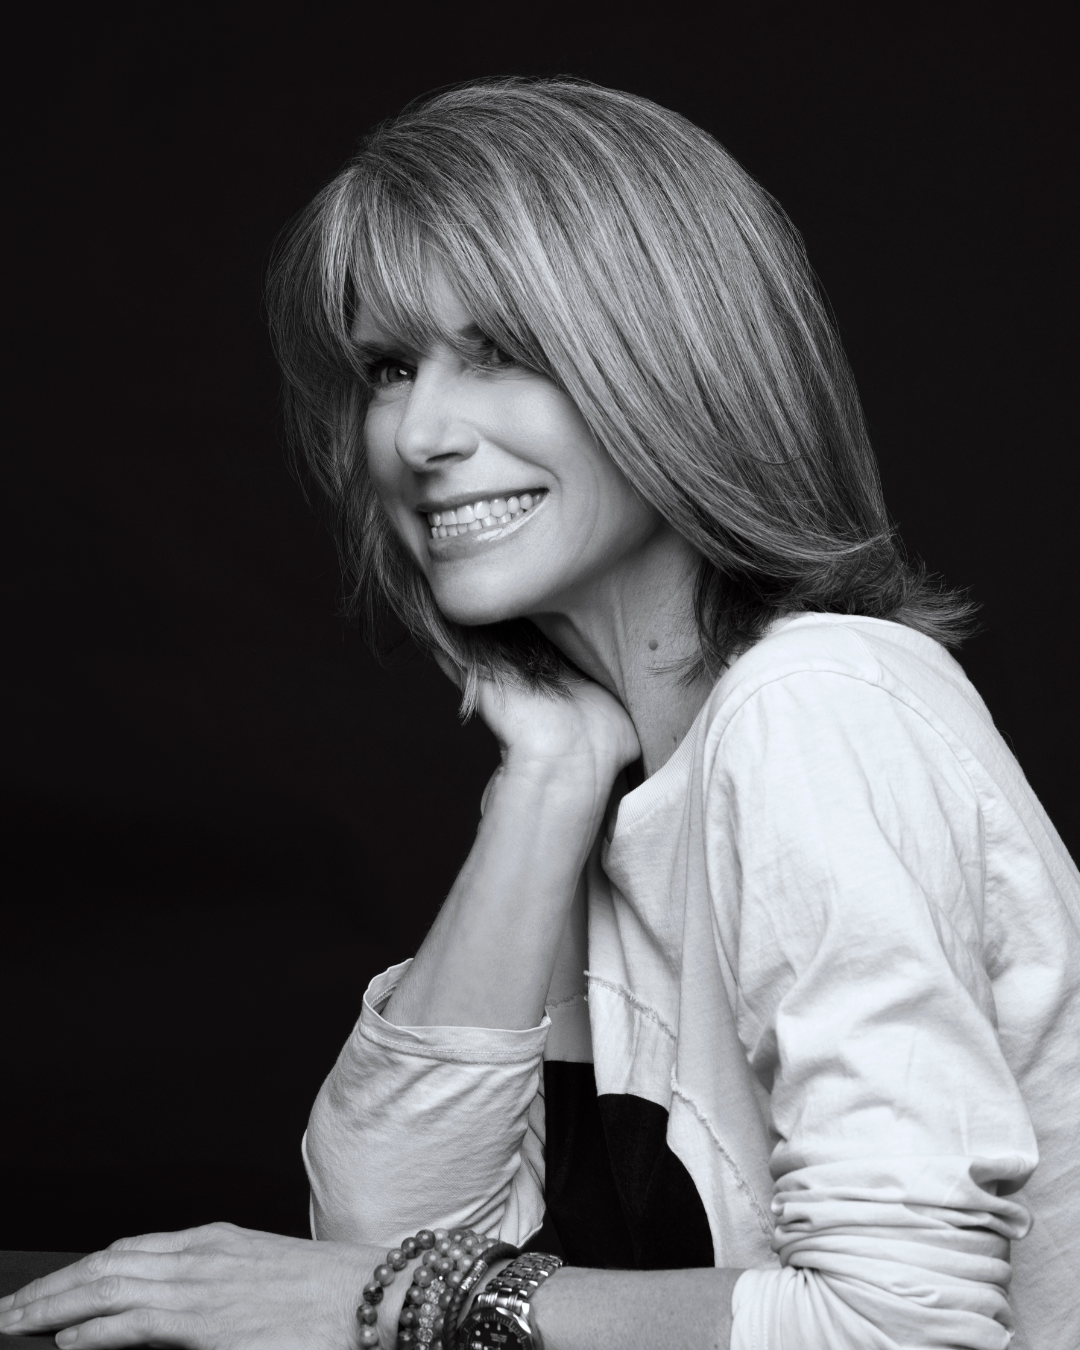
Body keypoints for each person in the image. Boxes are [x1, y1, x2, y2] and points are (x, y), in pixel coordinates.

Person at [1, 75, 1077, 1350]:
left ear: (673, 364)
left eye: (499, 353)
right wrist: (550, 780)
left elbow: (903, 1328)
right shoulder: (626, 771)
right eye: (389, 368)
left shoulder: (818, 705)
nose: (416, 435)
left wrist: (383, 1300)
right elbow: (389, 1237)